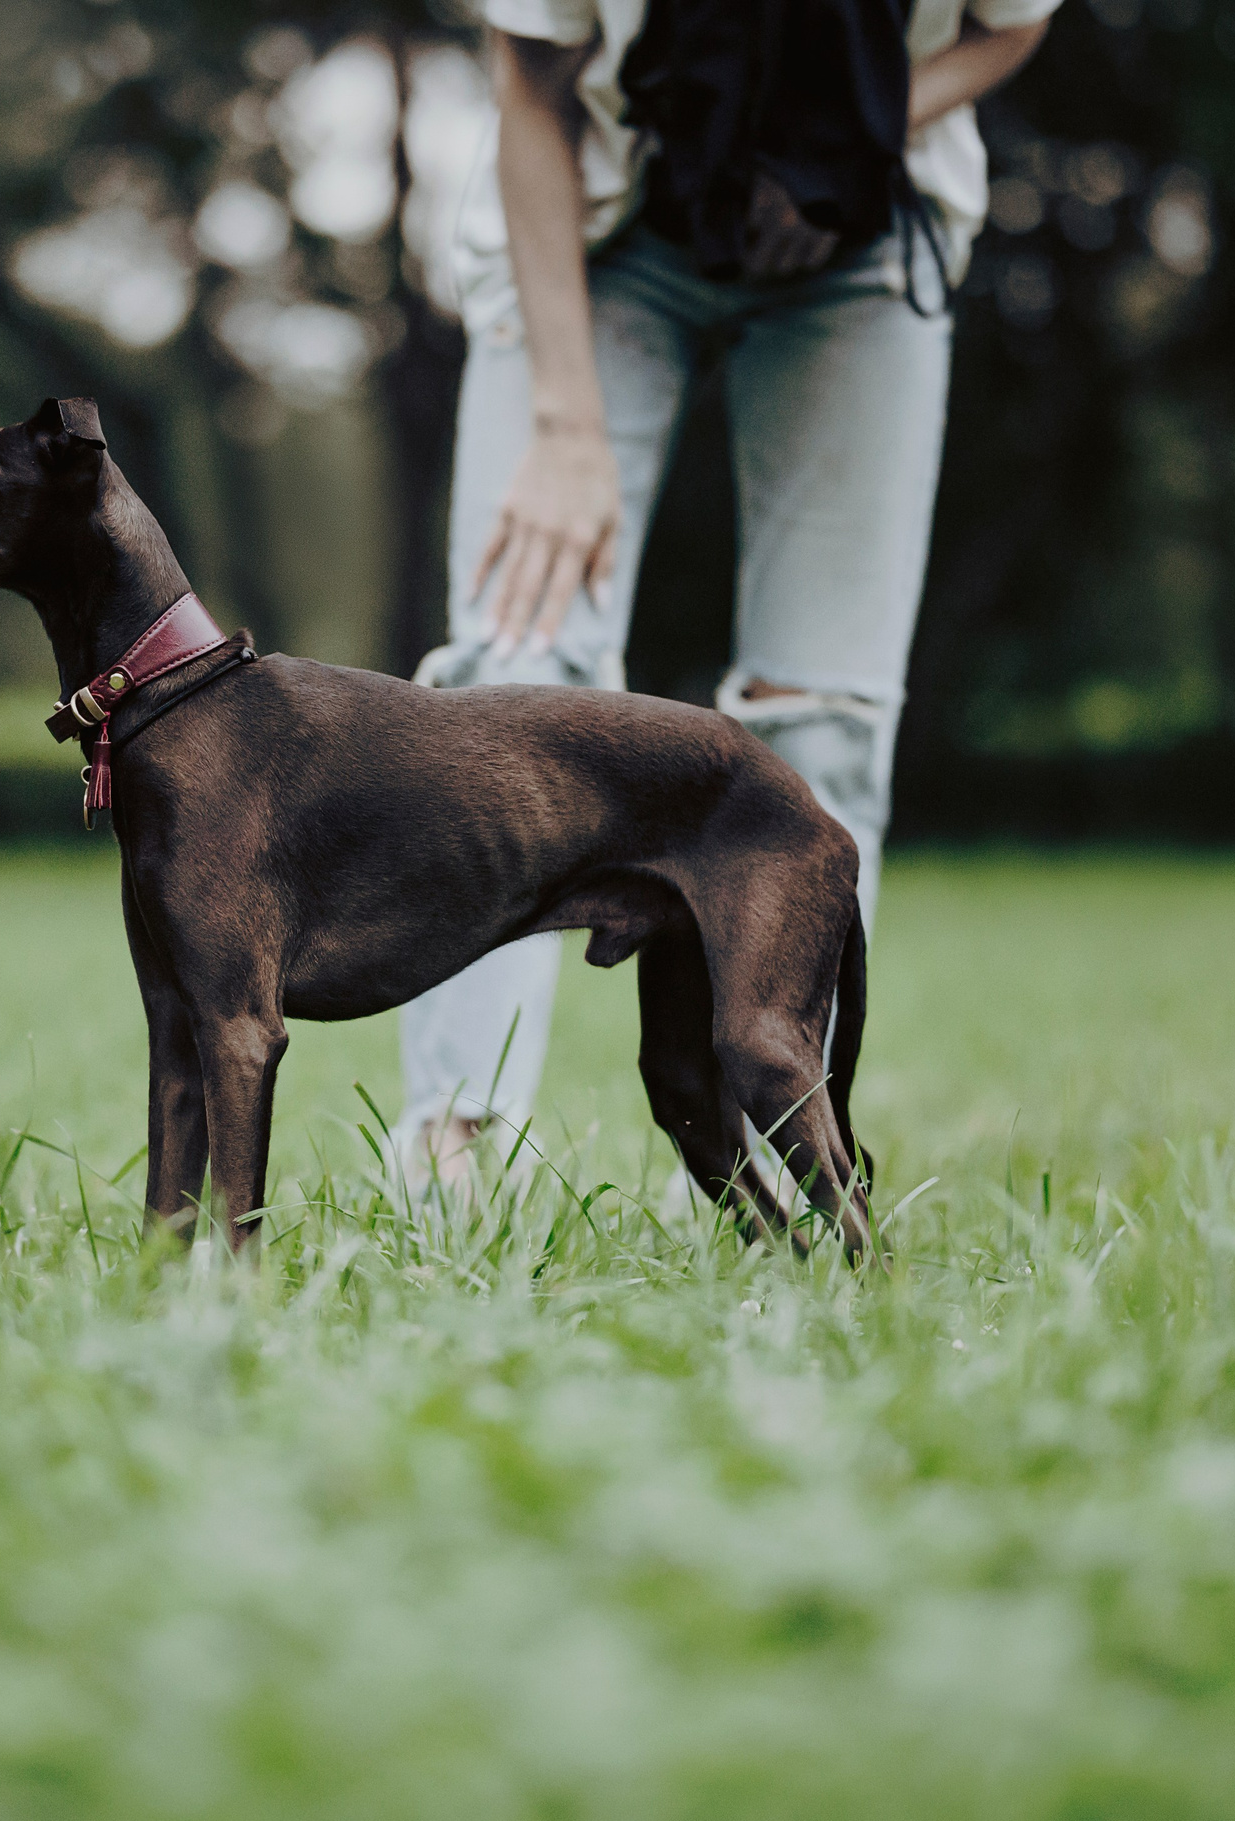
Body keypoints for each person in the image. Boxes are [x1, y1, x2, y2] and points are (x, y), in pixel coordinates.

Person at [397, 0, 1054, 1183]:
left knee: (827, 717)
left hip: (854, 247)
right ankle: (458, 1146)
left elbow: (1008, 26)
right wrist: (565, 424)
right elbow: (528, 86)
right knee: (516, 667)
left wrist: (829, 143)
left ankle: (793, 1148)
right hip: (602, 232)